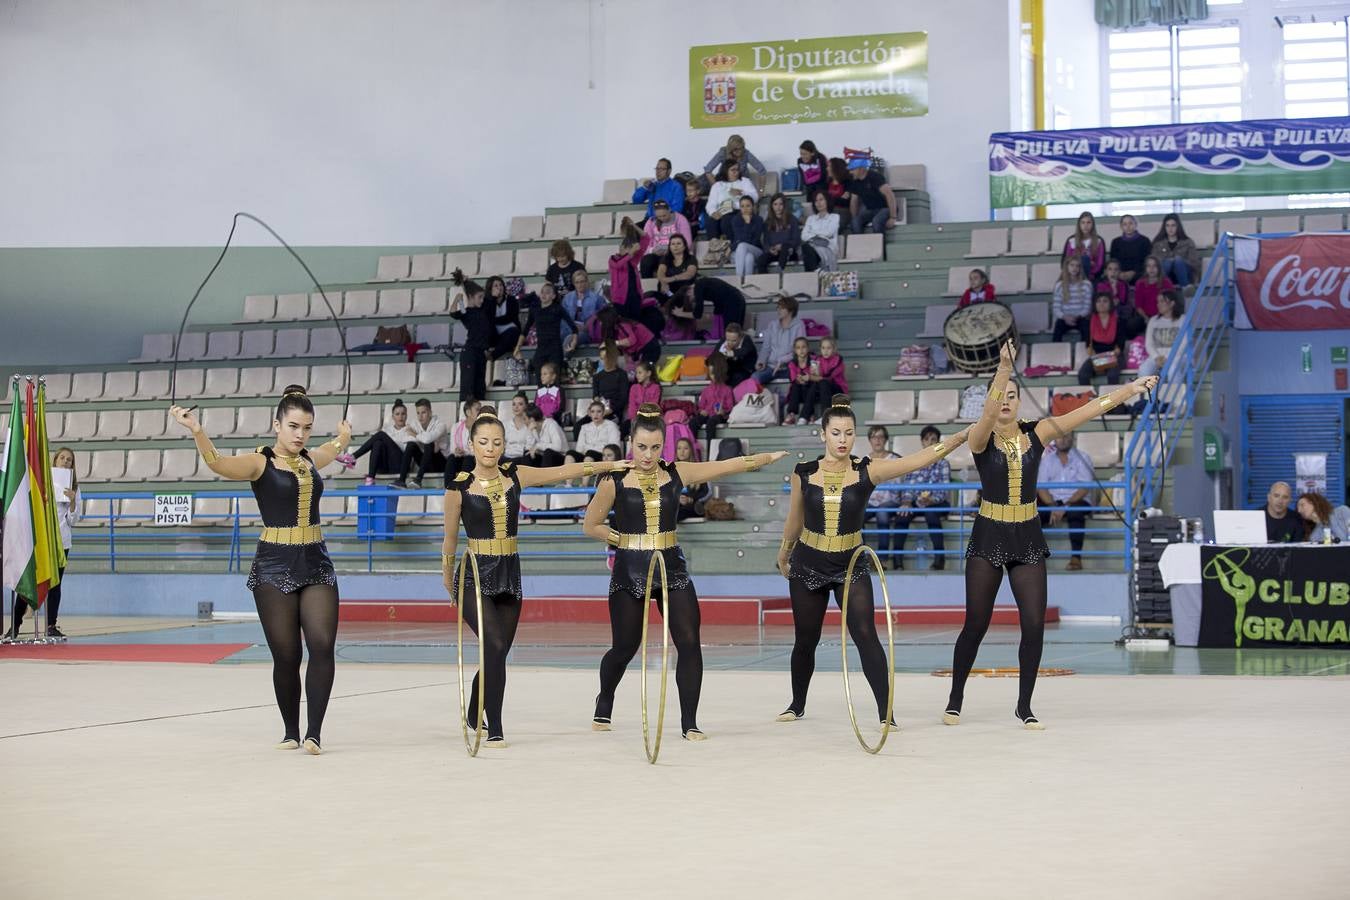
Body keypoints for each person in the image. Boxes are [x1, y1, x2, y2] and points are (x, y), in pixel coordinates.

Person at [945, 341, 1157, 730]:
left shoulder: (1038, 432)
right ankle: (955, 697)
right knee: (976, 623)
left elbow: (1086, 411)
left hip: (1026, 535)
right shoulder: (979, 437)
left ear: (1021, 401)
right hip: (988, 533)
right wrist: (1004, 369)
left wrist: (1130, 389)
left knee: (1035, 623)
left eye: (1012, 395)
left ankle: (1024, 705)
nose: (1005, 400)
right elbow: (990, 410)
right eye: (1000, 395)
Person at [584, 403, 785, 739]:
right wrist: (623, 538)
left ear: (663, 445)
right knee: (625, 646)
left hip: (671, 567)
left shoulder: (677, 472)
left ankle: (689, 722)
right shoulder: (614, 481)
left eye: (655, 447)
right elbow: (590, 525)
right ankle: (605, 699)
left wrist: (762, 459)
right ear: (630, 443)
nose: (648, 455)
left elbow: (723, 466)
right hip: (630, 568)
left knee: (690, 642)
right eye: (642, 447)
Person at [169, 387, 352, 754]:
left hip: (316, 561)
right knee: (286, 655)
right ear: (277, 424)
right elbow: (218, 463)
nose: (300, 435)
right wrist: (196, 430)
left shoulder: (311, 459)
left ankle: (314, 732)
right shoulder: (261, 462)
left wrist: (344, 437)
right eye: (294, 426)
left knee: (322, 645)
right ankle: (291, 730)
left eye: (307, 428)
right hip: (273, 564)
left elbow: (330, 450)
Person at [442, 408, 631, 746]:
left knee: (496, 652)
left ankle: (474, 708)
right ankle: (495, 724)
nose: (490, 448)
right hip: (473, 574)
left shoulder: (516, 475)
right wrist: (447, 579)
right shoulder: (459, 487)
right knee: (495, 644)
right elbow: (449, 540)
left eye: (497, 442)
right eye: (483, 442)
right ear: (471, 444)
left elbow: (561, 471)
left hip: (508, 574)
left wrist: (607, 466)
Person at [775, 397, 969, 724]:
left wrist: (956, 440)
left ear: (855, 436)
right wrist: (784, 551)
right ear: (823, 434)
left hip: (851, 563)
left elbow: (917, 461)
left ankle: (886, 714)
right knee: (806, 639)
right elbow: (795, 517)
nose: (842, 439)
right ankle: (796, 703)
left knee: (866, 634)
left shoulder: (868, 470)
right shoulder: (803, 473)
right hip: (808, 563)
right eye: (835, 432)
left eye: (848, 433)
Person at [8, 447, 81, 640]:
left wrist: (73, 501)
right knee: (28, 582)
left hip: (61, 543)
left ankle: (51, 625)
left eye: (69, 460)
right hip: (39, 540)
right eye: (62, 458)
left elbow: (74, 520)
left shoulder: (74, 487)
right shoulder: (41, 482)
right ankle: (14, 626)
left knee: (55, 586)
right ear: (54, 460)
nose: (65, 462)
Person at [894, 425, 952, 570]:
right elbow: (908, 487)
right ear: (922, 442)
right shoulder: (915, 462)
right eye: (927, 439)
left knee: (931, 513)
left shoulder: (943, 463)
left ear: (938, 443)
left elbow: (944, 491)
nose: (930, 442)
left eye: (934, 439)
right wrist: (906, 502)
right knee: (902, 516)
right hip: (917, 502)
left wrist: (932, 499)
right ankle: (897, 562)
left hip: (937, 503)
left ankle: (939, 560)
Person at [1036, 432, 1095, 570]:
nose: (1062, 440)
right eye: (1059, 436)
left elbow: (1084, 488)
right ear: (1054, 439)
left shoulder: (1083, 458)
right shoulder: (1047, 460)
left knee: (1076, 512)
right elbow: (1042, 489)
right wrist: (1053, 507)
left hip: (1076, 500)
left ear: (1073, 438)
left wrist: (1066, 506)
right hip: (1053, 502)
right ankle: (1035, 558)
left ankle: (1076, 558)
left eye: (1066, 436)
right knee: (1032, 516)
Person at [340, 398, 414, 485]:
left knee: (381, 435)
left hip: (400, 466)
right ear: (393, 416)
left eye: (403, 414)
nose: (400, 417)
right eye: (397, 414)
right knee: (377, 443)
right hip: (386, 466)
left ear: (406, 415)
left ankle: (353, 457)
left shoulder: (410, 430)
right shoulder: (388, 430)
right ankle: (370, 478)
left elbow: (410, 452)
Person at [516, 282, 577, 379]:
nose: (544, 295)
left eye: (548, 292)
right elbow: (525, 330)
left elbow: (573, 327)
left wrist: (574, 341)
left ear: (553, 296)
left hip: (555, 349)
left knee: (554, 382)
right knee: (540, 381)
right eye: (542, 292)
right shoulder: (534, 309)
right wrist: (518, 347)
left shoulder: (558, 309)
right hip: (541, 349)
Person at [450, 269, 492, 403]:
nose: (481, 300)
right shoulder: (466, 312)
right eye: (479, 297)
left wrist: (466, 281)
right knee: (468, 387)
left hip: (481, 353)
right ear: (471, 297)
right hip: (470, 352)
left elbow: (472, 289)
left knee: (480, 387)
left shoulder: (483, 309)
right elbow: (453, 312)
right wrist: (457, 299)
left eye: (482, 297)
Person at [862, 426, 901, 567]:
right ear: (870, 440)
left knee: (882, 513)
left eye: (880, 437)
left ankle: (883, 560)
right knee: (855, 515)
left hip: (890, 500)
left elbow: (903, 482)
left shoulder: (895, 459)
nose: (877, 440)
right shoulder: (864, 460)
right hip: (870, 501)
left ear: (885, 440)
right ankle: (863, 557)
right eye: (874, 437)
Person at [393, 398, 450, 490]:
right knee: (411, 444)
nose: (420, 417)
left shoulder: (440, 425)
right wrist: (421, 438)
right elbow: (405, 438)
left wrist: (415, 435)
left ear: (430, 413)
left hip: (440, 463)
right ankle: (401, 480)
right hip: (425, 462)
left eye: (423, 413)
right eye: (418, 413)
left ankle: (418, 480)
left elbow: (427, 439)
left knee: (429, 444)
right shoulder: (415, 423)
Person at [753, 294, 805, 386]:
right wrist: (761, 362)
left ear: (791, 310)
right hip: (771, 367)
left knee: (801, 379)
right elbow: (766, 348)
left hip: (789, 367)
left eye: (782, 308)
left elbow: (800, 350)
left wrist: (782, 360)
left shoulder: (799, 325)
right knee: (754, 378)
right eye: (778, 308)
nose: (778, 310)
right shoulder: (772, 325)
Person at [1077, 292, 1125, 386]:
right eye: (1098, 301)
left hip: (1115, 355)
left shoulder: (1119, 321)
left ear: (1110, 303)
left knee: (1112, 375)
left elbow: (1119, 347)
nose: (1101, 304)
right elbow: (1088, 346)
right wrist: (1098, 361)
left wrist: (1104, 362)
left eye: (1105, 301)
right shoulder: (1088, 321)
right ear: (1094, 304)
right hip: (1096, 356)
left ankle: (1112, 400)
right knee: (1083, 374)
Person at [706, 160, 759, 241]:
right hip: (721, 211)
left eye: (737, 169)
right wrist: (713, 212)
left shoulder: (744, 181)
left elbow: (755, 197)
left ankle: (732, 246)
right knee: (711, 221)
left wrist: (741, 193)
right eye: (733, 170)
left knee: (726, 220)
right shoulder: (717, 185)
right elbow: (711, 203)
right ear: (725, 171)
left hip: (738, 210)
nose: (736, 172)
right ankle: (714, 247)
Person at [639, 200, 693, 278]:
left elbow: (688, 242)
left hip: (675, 253)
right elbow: (644, 244)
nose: (662, 218)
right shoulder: (650, 222)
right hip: (657, 253)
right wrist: (652, 250)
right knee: (646, 261)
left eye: (664, 215)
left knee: (667, 262)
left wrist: (673, 250)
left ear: (669, 210)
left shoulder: (680, 219)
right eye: (659, 217)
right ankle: (648, 285)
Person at [1140, 289, 1184, 379]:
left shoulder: (1183, 319)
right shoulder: (1153, 320)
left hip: (1177, 356)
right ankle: (1148, 393)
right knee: (1143, 369)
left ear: (1172, 303)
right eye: (1158, 302)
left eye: (1162, 301)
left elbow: (1183, 344)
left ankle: (1175, 393)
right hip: (1157, 357)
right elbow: (1149, 344)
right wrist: (1156, 357)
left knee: (1173, 369)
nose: (1158, 304)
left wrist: (1167, 358)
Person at [847, 158, 899, 233]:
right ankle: (859, 243)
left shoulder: (875, 177)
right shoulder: (855, 181)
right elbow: (854, 201)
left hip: (885, 208)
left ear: (861, 169)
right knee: (855, 222)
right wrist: (854, 218)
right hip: (871, 209)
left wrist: (893, 217)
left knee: (877, 221)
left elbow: (889, 195)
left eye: (852, 169)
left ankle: (878, 243)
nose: (850, 172)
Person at [560, 269, 606, 352]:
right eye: (577, 282)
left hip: (586, 332)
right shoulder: (567, 298)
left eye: (582, 281)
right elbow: (562, 317)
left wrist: (586, 327)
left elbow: (604, 316)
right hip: (569, 329)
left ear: (587, 282)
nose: (580, 285)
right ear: (574, 283)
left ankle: (564, 361)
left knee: (571, 338)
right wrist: (573, 327)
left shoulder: (596, 298)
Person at [693, 353, 734, 443]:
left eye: (715, 374)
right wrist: (701, 411)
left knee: (711, 423)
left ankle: (709, 451)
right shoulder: (706, 390)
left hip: (720, 416)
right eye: (711, 374)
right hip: (707, 415)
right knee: (693, 422)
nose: (713, 376)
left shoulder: (727, 389)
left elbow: (730, 407)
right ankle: (694, 448)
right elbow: (701, 406)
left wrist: (723, 411)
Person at [702, 133, 767, 191]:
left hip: (741, 184)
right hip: (725, 183)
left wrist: (761, 190)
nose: (740, 151)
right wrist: (717, 188)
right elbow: (708, 170)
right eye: (737, 149)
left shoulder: (746, 153)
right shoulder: (723, 152)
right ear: (731, 149)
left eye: (742, 148)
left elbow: (762, 170)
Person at [1152, 214, 1202, 288]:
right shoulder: (1158, 243)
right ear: (1164, 227)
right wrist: (1169, 261)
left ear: (1178, 226)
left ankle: (1186, 290)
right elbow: (1154, 263)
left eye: (1173, 225)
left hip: (1185, 275)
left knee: (1178, 260)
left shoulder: (1188, 242)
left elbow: (1195, 263)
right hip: (1166, 275)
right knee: (1167, 263)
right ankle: (1158, 290)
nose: (1170, 228)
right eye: (1167, 225)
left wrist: (1178, 261)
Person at [1052, 256, 1093, 344]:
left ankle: (1085, 353)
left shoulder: (1087, 285)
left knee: (1086, 327)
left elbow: (1087, 308)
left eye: (1077, 266)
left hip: (1081, 317)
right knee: (1058, 326)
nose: (1074, 268)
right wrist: (1065, 317)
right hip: (1065, 318)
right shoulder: (1059, 285)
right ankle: (1055, 353)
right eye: (1072, 265)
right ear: (1067, 267)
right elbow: (1056, 308)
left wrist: (1078, 316)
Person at [589, 342, 630, 424]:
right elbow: (595, 396)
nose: (604, 361)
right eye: (602, 358)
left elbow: (623, 399)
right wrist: (597, 407)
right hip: (599, 411)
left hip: (614, 411)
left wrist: (610, 410)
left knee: (605, 425)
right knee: (578, 426)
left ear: (612, 358)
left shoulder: (621, 375)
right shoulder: (597, 376)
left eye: (606, 358)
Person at [800, 190, 841, 273]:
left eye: (821, 199)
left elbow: (829, 232)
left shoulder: (835, 217)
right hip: (813, 248)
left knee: (807, 252)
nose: (818, 203)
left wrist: (813, 234)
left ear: (827, 201)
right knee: (806, 248)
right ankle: (817, 272)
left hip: (827, 248)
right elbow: (803, 236)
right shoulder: (811, 219)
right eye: (816, 201)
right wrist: (819, 236)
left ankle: (815, 274)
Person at [485, 275, 522, 362]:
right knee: (486, 327)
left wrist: (493, 320)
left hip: (510, 333)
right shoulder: (488, 302)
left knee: (514, 332)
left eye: (500, 285)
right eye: (496, 286)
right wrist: (494, 298)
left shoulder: (512, 300)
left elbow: (509, 318)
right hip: (494, 336)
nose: (499, 288)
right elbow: (488, 317)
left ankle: (492, 356)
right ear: (490, 289)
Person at [729, 194, 767, 277]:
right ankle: (746, 284)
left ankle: (738, 278)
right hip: (738, 252)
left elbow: (754, 241)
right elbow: (739, 239)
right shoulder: (736, 220)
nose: (745, 209)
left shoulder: (758, 220)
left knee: (742, 246)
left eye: (748, 206)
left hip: (756, 249)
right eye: (742, 206)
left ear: (753, 206)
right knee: (749, 258)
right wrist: (747, 224)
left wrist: (747, 224)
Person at [654, 235, 698, 305]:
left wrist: (671, 279)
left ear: (684, 246)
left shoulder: (691, 258)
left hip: (685, 289)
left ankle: (677, 307)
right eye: (673, 244)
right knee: (660, 285)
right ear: (670, 247)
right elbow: (660, 273)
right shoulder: (666, 258)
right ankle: (668, 306)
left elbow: (690, 273)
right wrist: (663, 283)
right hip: (670, 291)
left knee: (683, 286)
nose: (675, 246)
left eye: (678, 243)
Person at [762, 193, 801, 271]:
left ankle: (780, 271)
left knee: (785, 247)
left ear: (784, 206)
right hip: (774, 253)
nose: (778, 207)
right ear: (772, 206)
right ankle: (763, 281)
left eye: (781, 204)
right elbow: (766, 242)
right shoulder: (768, 222)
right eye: (775, 204)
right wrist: (770, 249)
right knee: (761, 260)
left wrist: (782, 245)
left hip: (789, 252)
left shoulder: (792, 219)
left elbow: (796, 240)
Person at [1063, 211, 1105, 281]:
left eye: (1088, 222)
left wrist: (1090, 270)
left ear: (1093, 225)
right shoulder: (1071, 240)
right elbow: (1066, 262)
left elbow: (1100, 264)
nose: (1085, 226)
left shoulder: (1099, 241)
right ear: (1079, 225)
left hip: (1092, 277)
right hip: (1073, 277)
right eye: (1083, 222)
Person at [674, 438, 710, 521]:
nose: (682, 451)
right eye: (679, 448)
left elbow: (706, 492)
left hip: (693, 506)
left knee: (676, 513)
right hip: (677, 505)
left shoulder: (699, 470)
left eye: (685, 448)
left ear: (691, 451)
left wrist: (690, 499)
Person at [783, 337, 817, 426]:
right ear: (795, 350)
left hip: (812, 392)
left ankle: (810, 415)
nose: (801, 350)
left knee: (809, 385)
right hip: (797, 393)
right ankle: (792, 414)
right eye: (798, 348)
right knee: (796, 385)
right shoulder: (792, 363)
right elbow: (794, 379)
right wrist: (800, 380)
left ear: (808, 348)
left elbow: (815, 376)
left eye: (803, 347)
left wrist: (807, 378)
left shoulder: (814, 360)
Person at [1108, 214, 1151, 283]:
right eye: (1125, 224)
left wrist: (1133, 272)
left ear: (1135, 224)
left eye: (1130, 223)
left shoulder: (1144, 241)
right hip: (1119, 273)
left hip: (1139, 272)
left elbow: (1147, 260)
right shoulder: (1116, 242)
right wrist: (1119, 272)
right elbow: (1113, 261)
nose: (1128, 226)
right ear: (1121, 227)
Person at [525, 403, 567, 468]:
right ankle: (528, 478)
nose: (524, 421)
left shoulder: (551, 424)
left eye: (525, 419)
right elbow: (529, 448)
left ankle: (544, 477)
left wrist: (538, 446)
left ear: (531, 419)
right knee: (527, 455)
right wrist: (529, 432)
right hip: (544, 457)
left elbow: (558, 447)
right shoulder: (533, 428)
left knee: (548, 452)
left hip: (561, 457)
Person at [449, 399, 483, 476]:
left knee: (468, 459)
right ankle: (448, 486)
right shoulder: (456, 427)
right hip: (461, 458)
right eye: (478, 410)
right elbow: (452, 448)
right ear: (468, 412)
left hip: (475, 460)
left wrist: (466, 452)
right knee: (451, 458)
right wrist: (456, 450)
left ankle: (466, 486)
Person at [625, 360, 662, 429]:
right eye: (636, 373)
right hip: (635, 420)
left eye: (640, 373)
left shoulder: (656, 388)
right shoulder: (634, 388)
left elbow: (652, 406)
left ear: (648, 373)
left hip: (650, 420)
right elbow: (632, 406)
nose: (637, 375)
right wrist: (635, 420)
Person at [719, 321, 759, 386]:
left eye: (734, 340)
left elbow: (744, 351)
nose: (730, 342)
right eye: (728, 339)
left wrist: (730, 353)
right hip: (731, 369)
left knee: (736, 378)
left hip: (746, 370)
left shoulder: (747, 340)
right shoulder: (725, 339)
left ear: (740, 337)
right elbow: (715, 354)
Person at [501, 393, 536, 465]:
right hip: (506, 458)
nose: (516, 407)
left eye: (520, 404)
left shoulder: (530, 425)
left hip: (522, 459)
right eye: (514, 404)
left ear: (526, 406)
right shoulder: (505, 424)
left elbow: (530, 446)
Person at [825, 158, 853, 230]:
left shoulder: (848, 182)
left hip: (843, 211)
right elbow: (823, 198)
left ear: (836, 168)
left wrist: (829, 199)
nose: (827, 168)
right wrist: (837, 199)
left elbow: (845, 202)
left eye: (829, 166)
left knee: (835, 227)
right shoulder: (827, 183)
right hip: (829, 211)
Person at [682, 177, 708, 243]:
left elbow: (703, 216)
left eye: (691, 191)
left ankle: (689, 246)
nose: (689, 193)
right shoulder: (686, 203)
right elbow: (683, 215)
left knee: (691, 230)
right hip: (687, 224)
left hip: (698, 225)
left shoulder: (703, 202)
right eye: (687, 191)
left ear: (698, 191)